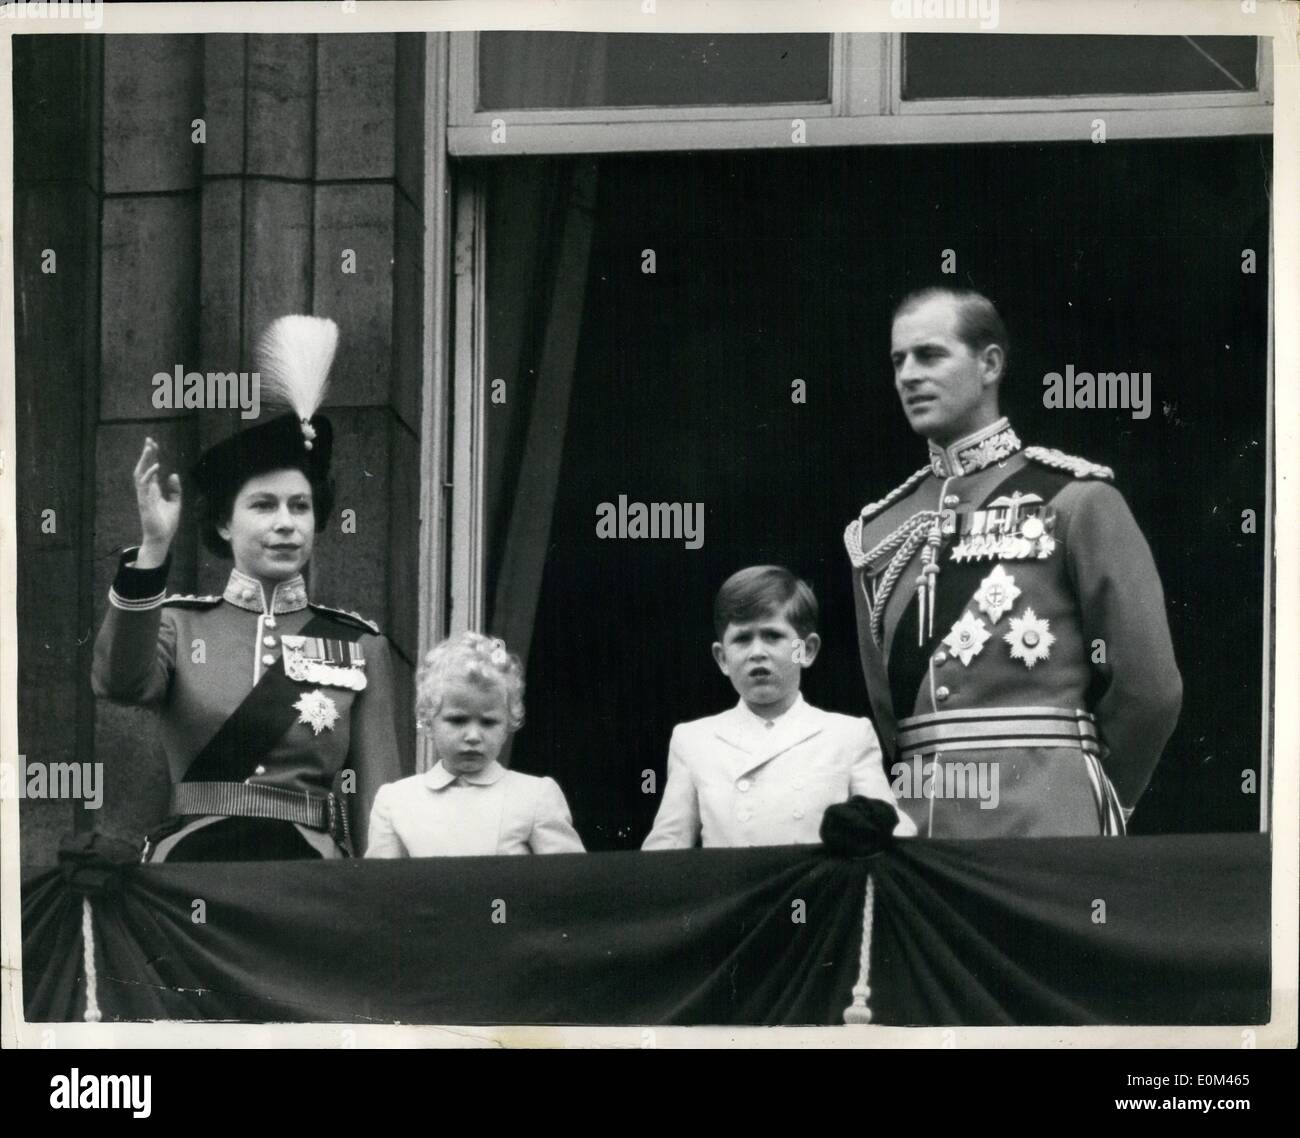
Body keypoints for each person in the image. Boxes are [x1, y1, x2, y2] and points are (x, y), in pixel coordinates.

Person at [845, 287, 1182, 838]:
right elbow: (891, 720)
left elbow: (1151, 690)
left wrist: (1086, 801)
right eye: (898, 360)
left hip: (1046, 824)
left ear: (990, 364)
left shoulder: (1075, 500)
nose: (908, 375)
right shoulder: (876, 533)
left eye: (929, 355)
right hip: (922, 832)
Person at [91, 316, 401, 861]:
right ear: (223, 524)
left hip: (311, 880)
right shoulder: (179, 624)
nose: (286, 523)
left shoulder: (359, 644)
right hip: (194, 868)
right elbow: (117, 682)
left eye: (300, 506)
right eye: (263, 505)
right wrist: (153, 550)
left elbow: (381, 807)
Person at [642, 566, 914, 850]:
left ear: (806, 651)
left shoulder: (848, 735)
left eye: (772, 636)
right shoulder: (694, 740)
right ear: (722, 658)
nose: (757, 652)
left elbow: (890, 828)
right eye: (742, 639)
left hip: (816, 893)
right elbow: (668, 845)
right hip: (734, 893)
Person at [365, 632, 585, 857]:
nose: (473, 736)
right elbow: (382, 886)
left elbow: (566, 881)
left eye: (488, 722)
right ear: (428, 721)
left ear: (508, 723)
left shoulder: (535, 796)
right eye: (457, 720)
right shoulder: (396, 801)